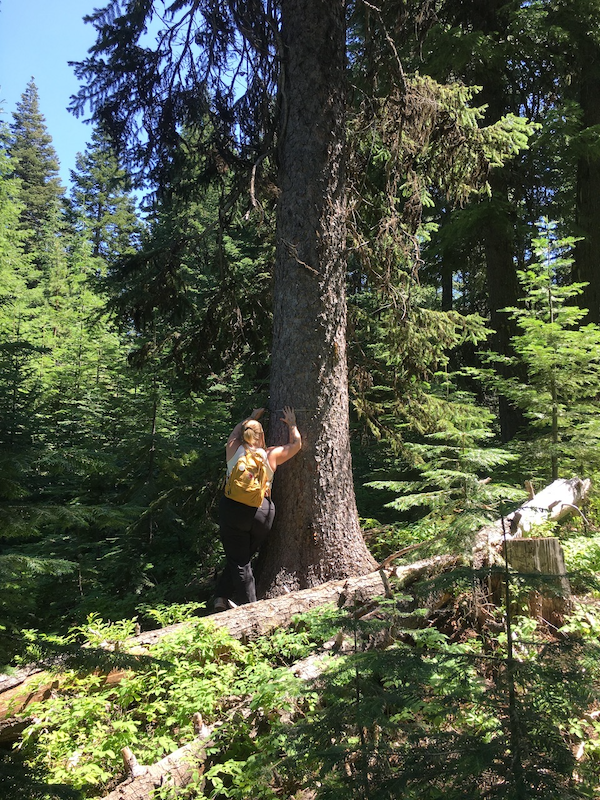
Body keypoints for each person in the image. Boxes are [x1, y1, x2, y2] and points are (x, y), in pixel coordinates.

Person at [213, 406, 301, 611]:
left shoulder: (233, 449)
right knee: (241, 558)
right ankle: (221, 596)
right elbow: (296, 444)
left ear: (244, 435)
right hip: (262, 512)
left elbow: (234, 432)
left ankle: (250, 609)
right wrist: (293, 424)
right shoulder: (270, 455)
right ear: (261, 436)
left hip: (233, 510)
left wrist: (251, 417)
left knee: (239, 559)